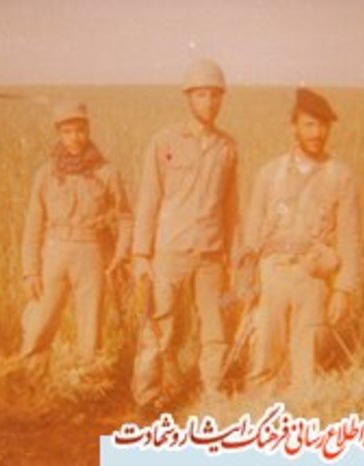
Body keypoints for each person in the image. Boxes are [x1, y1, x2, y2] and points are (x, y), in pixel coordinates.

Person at [131, 59, 239, 413]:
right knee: (159, 326)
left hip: (210, 253)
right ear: (188, 97)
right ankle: (148, 397)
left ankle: (213, 393)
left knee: (215, 328)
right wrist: (141, 255)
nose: (210, 102)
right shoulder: (165, 142)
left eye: (215, 95)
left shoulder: (227, 147)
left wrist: (235, 257)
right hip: (169, 251)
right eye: (202, 95)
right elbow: (149, 199)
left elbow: (231, 208)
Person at [243, 87, 360, 394]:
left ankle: (302, 412)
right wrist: (248, 278)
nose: (317, 133)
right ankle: (258, 411)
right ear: (293, 126)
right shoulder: (270, 173)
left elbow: (349, 239)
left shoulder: (341, 176)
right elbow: (252, 231)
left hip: (313, 276)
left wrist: (343, 290)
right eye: (309, 125)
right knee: (264, 353)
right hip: (272, 274)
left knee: (305, 362)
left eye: (323, 126)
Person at [19, 101, 132, 370]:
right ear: (58, 133)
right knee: (40, 320)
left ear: (88, 130)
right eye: (67, 132)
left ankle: (86, 381)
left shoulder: (106, 172)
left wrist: (120, 254)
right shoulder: (46, 174)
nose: (74, 138)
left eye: (80, 130)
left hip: (91, 252)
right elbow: (33, 225)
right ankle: (31, 378)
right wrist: (30, 271)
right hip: (54, 252)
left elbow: (126, 217)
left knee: (90, 326)